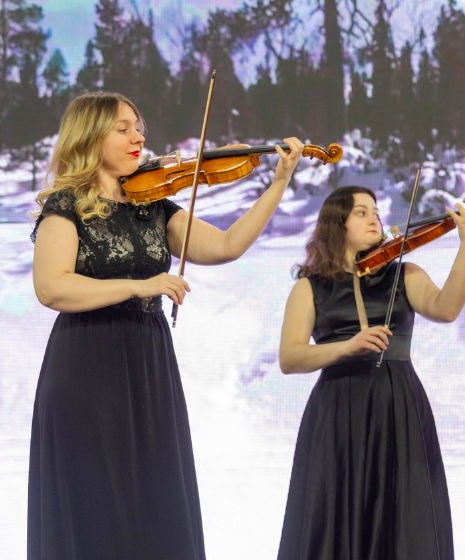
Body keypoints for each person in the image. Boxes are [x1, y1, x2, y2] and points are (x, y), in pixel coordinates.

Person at [28, 91, 303, 558]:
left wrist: (278, 183)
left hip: (147, 362)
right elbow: (52, 287)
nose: (138, 137)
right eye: (123, 129)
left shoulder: (153, 203)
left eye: (139, 128)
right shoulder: (65, 205)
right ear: (90, 137)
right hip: (88, 365)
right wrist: (139, 285)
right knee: (98, 506)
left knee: (154, 503)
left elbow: (226, 246)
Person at [277, 186, 465, 559]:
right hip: (339, 410)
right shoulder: (310, 287)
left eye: (375, 211)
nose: (374, 218)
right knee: (338, 510)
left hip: (397, 404)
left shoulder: (403, 273)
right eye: (361, 212)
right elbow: (290, 358)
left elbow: (446, 308)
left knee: (403, 512)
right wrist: (346, 347)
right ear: (336, 224)